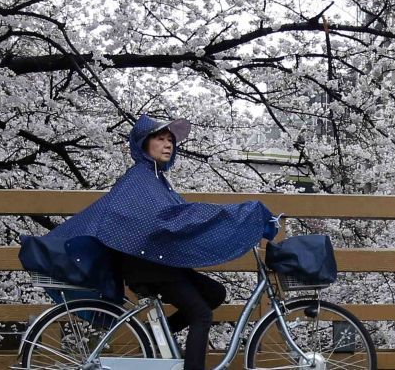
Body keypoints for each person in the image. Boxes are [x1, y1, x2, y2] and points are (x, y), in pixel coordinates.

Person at [19, 114, 278, 370]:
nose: (168, 145)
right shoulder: (140, 179)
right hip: (148, 266)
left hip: (157, 263)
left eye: (170, 140)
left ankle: (155, 336)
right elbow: (172, 219)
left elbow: (178, 219)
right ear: (144, 143)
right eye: (160, 138)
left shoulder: (155, 179)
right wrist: (238, 215)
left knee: (215, 293)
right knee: (201, 314)